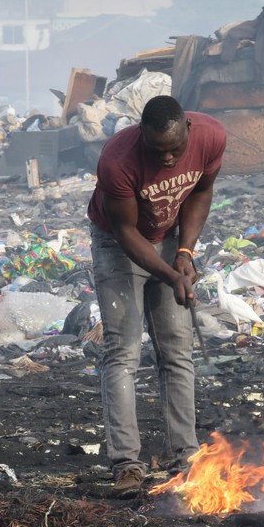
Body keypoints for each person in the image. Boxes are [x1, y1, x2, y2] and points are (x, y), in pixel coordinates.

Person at [86, 95, 227, 498]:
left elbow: (202, 191)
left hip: (168, 240)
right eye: (157, 151)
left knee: (177, 351)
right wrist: (169, 275)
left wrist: (184, 253)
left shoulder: (212, 137)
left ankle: (185, 456)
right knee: (124, 350)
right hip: (119, 245)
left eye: (175, 150)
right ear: (141, 136)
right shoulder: (118, 160)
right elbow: (127, 232)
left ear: (188, 129)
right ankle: (127, 464)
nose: (167, 160)